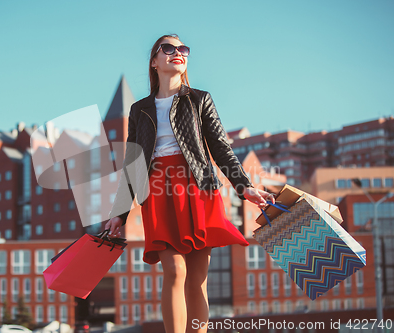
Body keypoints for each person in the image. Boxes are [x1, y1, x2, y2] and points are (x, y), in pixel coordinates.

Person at [106, 35, 275, 333]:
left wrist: (244, 186)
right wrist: (119, 213)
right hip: (158, 192)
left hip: (197, 188)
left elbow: (221, 148)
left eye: (183, 49)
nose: (177, 53)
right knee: (174, 270)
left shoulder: (199, 99)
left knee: (197, 280)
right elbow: (132, 166)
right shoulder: (139, 110)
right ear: (154, 61)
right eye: (168, 49)